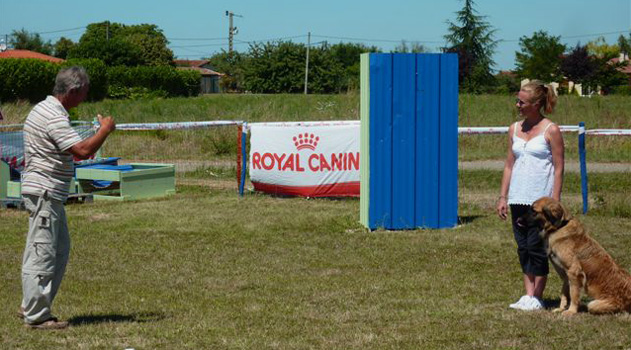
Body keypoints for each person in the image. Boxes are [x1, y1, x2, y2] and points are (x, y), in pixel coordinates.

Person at [19, 66, 116, 329]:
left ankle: (33, 303)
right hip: (45, 191)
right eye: (84, 92)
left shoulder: (48, 110)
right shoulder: (53, 115)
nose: (85, 97)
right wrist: (105, 130)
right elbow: (82, 150)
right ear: (73, 91)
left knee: (57, 249)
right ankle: (36, 315)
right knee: (43, 252)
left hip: (48, 192)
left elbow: (71, 144)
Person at [496, 80, 564, 311]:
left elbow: (558, 167)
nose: (517, 105)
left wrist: (554, 200)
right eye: (517, 100)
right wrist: (503, 197)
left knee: (537, 248)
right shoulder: (514, 129)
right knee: (523, 246)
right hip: (518, 198)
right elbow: (509, 164)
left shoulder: (550, 130)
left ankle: (538, 296)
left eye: (521, 102)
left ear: (536, 104)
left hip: (540, 202)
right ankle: (527, 295)